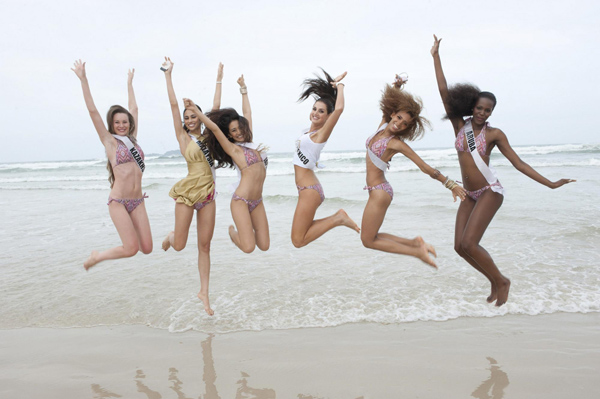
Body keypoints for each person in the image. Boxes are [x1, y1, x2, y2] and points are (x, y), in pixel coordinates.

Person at [431, 35, 575, 306]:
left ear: (491, 112)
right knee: (459, 247)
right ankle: (494, 279)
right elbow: (443, 91)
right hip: (469, 194)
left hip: (489, 191)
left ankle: (502, 281)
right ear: (471, 107)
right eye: (479, 108)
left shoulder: (494, 133)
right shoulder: (459, 126)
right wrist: (435, 56)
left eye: (488, 110)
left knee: (470, 244)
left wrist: (551, 184)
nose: (483, 113)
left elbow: (518, 163)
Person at [361, 74, 466, 268]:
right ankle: (415, 243)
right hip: (375, 190)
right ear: (393, 113)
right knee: (370, 236)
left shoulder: (395, 143)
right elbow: (390, 106)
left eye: (405, 124)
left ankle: (416, 251)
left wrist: (449, 183)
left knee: (368, 241)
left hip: (380, 192)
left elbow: (425, 167)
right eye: (399, 117)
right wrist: (397, 87)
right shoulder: (383, 127)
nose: (399, 124)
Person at [71, 60, 153, 270]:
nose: (122, 125)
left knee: (147, 248)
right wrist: (83, 79)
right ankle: (98, 256)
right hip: (119, 202)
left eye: (125, 122)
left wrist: (129, 83)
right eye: (117, 122)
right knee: (131, 249)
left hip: (138, 201)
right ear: (112, 125)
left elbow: (134, 107)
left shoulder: (133, 139)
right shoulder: (109, 141)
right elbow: (93, 112)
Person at [160, 58, 223, 315]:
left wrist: (219, 77)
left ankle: (204, 294)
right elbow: (173, 105)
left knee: (205, 246)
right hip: (187, 194)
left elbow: (216, 106)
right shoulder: (182, 136)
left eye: (192, 115)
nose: (188, 119)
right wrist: (168, 75)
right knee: (180, 246)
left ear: (199, 116)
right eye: (186, 117)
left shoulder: (209, 134)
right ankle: (171, 237)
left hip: (208, 194)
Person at [193, 74, 270, 253]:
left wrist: (243, 89)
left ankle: (244, 235)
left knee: (264, 246)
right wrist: (197, 113)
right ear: (229, 135)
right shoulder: (233, 149)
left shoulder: (253, 145)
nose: (238, 133)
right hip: (241, 201)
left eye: (240, 128)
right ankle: (232, 233)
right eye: (233, 131)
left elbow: (248, 113)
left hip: (257, 201)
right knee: (249, 247)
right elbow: (213, 128)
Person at [291, 69, 360, 248]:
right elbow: (329, 102)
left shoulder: (321, 135)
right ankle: (338, 218)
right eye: (314, 109)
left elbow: (339, 109)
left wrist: (341, 86)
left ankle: (338, 218)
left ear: (328, 117)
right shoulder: (307, 132)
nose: (316, 113)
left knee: (298, 240)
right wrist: (333, 87)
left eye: (321, 111)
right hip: (306, 189)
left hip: (310, 190)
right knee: (300, 236)